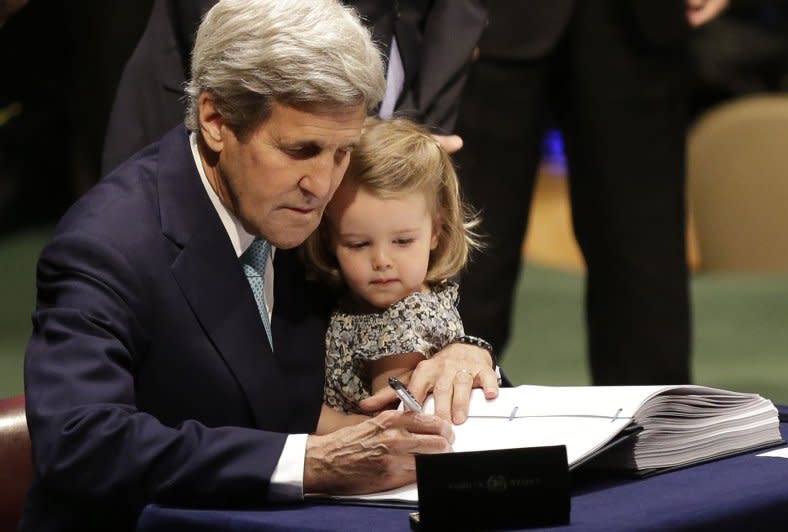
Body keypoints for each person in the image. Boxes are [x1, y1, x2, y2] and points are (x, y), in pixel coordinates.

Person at [21, 1, 496, 531]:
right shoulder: (109, 243)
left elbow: (389, 320)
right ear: (216, 120)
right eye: (301, 150)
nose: (323, 185)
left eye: (342, 152)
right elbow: (79, 442)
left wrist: (458, 352)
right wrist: (311, 463)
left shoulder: (312, 209)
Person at [454, 0, 729, 386]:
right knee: (466, 244)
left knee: (643, 260)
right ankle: (442, 417)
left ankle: (653, 433)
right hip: (483, 17)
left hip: (638, 25)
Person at [100, 0, 488, 175]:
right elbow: (227, 30)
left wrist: (417, 129)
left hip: (393, 99)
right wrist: (338, 131)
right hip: (231, 92)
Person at [302, 118, 486, 431]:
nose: (382, 261)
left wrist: (290, 419)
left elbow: (392, 427)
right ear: (329, 240)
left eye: (402, 241)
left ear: (436, 232)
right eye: (358, 244)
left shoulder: (401, 323)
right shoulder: (382, 300)